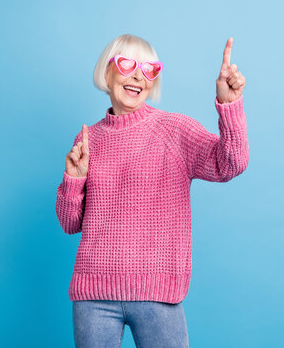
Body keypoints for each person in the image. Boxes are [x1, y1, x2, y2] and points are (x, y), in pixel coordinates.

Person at [55, 33, 248, 348]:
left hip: (159, 295)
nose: (137, 76)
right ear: (107, 71)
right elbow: (69, 223)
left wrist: (229, 105)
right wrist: (74, 179)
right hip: (94, 297)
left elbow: (230, 164)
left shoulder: (174, 130)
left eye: (149, 69)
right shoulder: (89, 138)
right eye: (127, 64)